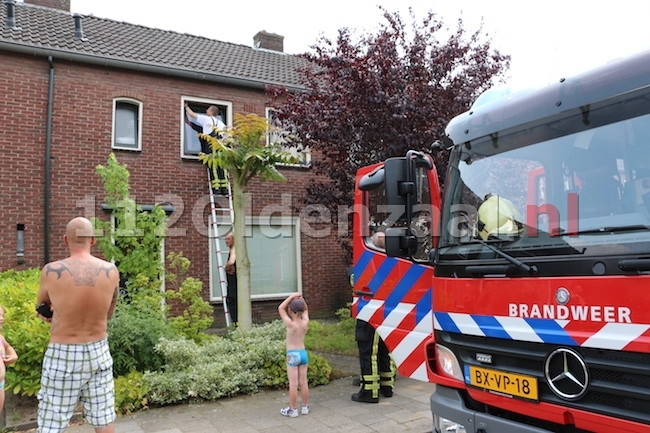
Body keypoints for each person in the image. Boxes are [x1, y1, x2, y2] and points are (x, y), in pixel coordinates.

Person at [36, 217, 119, 433]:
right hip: (98, 349)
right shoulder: (111, 271)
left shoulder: (50, 270)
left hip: (62, 352)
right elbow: (109, 311)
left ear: (65, 240)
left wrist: (53, 313)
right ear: (92, 240)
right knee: (104, 419)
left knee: (52, 423)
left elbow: (42, 307)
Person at [348, 269, 395, 403]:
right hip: (384, 311)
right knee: (383, 350)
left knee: (368, 353)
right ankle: (386, 387)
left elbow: (355, 282)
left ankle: (369, 392)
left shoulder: (366, 267)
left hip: (367, 312)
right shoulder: (387, 266)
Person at [184, 102, 229, 195]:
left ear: (211, 111)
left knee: (213, 165)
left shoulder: (206, 119)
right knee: (221, 166)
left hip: (210, 144)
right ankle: (225, 189)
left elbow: (191, 114)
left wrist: (186, 106)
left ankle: (216, 189)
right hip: (220, 146)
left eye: (207, 110)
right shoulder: (220, 123)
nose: (206, 111)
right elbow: (226, 134)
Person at [278, 293, 310, 418]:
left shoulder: (290, 324)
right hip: (303, 353)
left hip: (292, 354)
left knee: (293, 383)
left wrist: (292, 297)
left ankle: (293, 409)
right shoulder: (305, 322)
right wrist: (301, 299)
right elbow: (306, 309)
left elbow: (280, 308)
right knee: (304, 382)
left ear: (290, 310)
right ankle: (305, 407)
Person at [0, 305, 18, 413]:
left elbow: (8, 347)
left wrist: (13, 356)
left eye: (2, 315)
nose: (2, 318)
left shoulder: (1, 338)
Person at [224, 231, 237, 325]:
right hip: (232, 282)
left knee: (232, 300)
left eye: (228, 239)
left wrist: (226, 268)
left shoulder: (234, 249)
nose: (226, 241)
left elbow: (231, 262)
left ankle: (235, 323)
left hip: (234, 283)